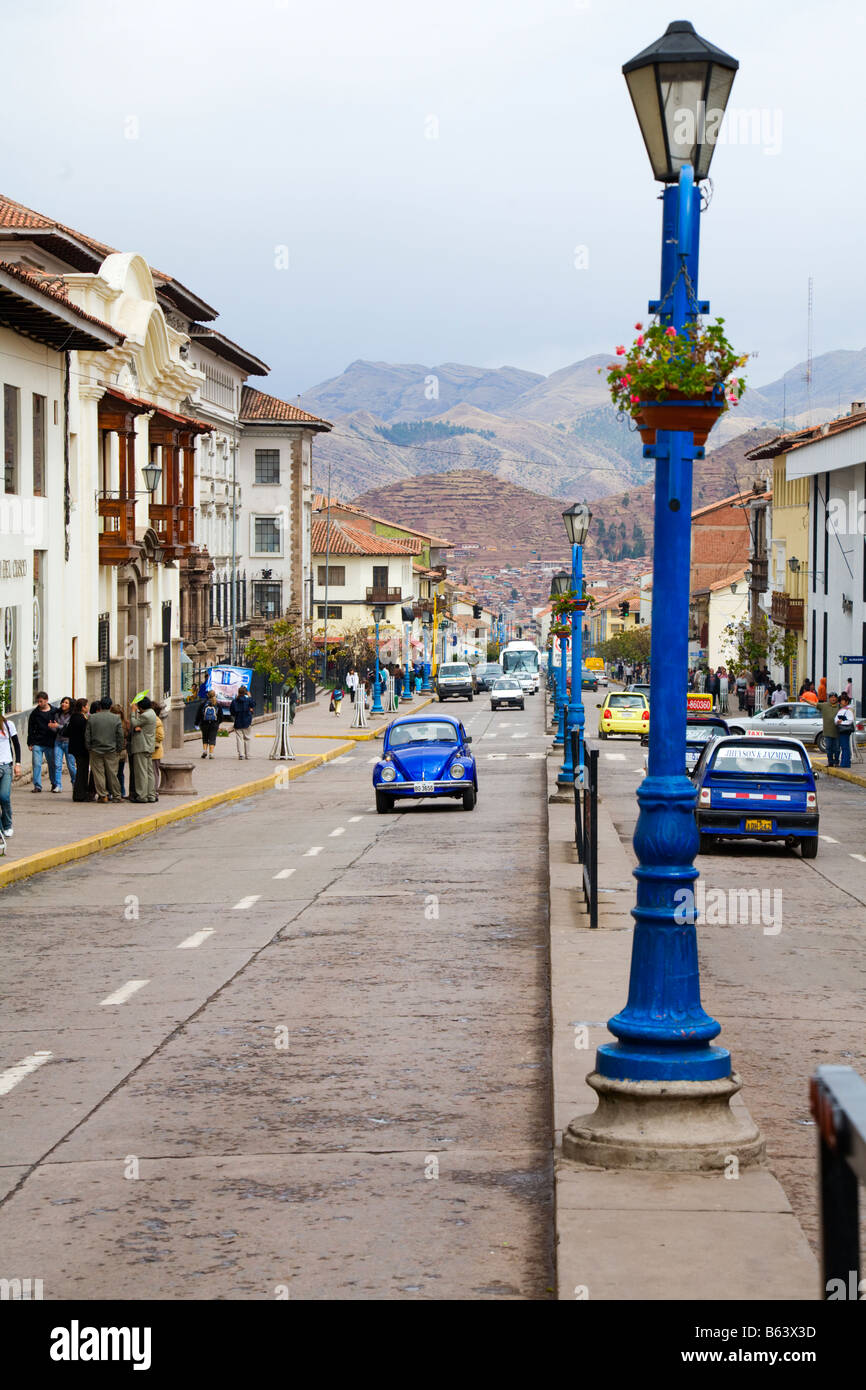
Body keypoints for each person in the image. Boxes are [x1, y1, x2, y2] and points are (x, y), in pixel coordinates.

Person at [85, 696, 124, 803]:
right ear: (110, 706)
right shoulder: (115, 718)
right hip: (111, 750)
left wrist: (89, 747)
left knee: (99, 774)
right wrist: (119, 748)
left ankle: (103, 795)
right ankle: (117, 795)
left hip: (96, 750)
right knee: (112, 774)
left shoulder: (92, 718)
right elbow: (120, 735)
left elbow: (87, 735)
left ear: (100, 706)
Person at [27, 691, 60, 792]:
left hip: (50, 742)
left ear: (46, 700)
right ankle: (37, 785)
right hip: (38, 742)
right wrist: (30, 742)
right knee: (37, 764)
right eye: (38, 702)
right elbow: (31, 728)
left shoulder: (54, 711)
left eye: (41, 701)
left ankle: (54, 783)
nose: (39, 703)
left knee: (52, 764)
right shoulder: (35, 713)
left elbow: (59, 724)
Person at [130, 696, 157, 801]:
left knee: (141, 772)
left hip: (142, 746)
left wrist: (133, 712)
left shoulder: (145, 715)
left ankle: (142, 795)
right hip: (149, 746)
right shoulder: (152, 713)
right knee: (149, 772)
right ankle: (151, 794)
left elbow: (134, 723)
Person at [0, 708, 22, 839]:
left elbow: (17, 745)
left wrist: (18, 763)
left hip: (6, 766)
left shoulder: (8, 725)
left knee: (4, 797)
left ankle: (7, 824)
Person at [68, 699, 92, 802]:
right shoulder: (80, 719)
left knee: (82, 770)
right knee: (82, 771)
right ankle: (80, 794)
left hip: (77, 748)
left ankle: (80, 793)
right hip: (81, 748)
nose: (88, 707)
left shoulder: (75, 717)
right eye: (87, 706)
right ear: (83, 707)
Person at [54, 696, 77, 787]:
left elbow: (68, 728)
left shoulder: (73, 716)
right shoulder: (57, 714)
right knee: (57, 764)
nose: (63, 704)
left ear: (70, 705)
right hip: (58, 741)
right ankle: (58, 785)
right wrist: (53, 726)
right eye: (63, 702)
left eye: (66, 703)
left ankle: (75, 782)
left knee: (71, 766)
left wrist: (58, 726)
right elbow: (55, 729)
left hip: (69, 742)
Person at [229, 685, 255, 759]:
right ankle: (248, 754)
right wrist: (250, 696)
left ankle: (241, 754)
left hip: (238, 721)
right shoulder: (248, 700)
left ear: (238, 692)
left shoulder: (234, 701)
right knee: (247, 738)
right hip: (247, 721)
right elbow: (253, 704)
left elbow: (232, 712)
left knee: (239, 738)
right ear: (245, 693)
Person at [111, 704, 131, 798]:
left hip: (121, 750)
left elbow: (128, 735)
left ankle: (121, 791)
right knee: (116, 773)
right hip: (116, 750)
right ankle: (117, 791)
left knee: (118, 772)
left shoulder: (125, 723)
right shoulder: (122, 722)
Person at [195, 690, 221, 759]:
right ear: (214, 695)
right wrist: (218, 722)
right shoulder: (217, 704)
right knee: (212, 738)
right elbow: (221, 716)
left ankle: (204, 751)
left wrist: (196, 723)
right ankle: (211, 754)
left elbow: (199, 715)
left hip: (204, 723)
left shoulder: (203, 704)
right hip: (214, 724)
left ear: (207, 695)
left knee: (205, 737)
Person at [835, 694, 856, 768]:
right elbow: (836, 719)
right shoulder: (842, 710)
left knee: (845, 747)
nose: (841, 702)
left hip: (845, 730)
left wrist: (841, 722)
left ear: (847, 702)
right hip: (841, 730)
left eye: (842, 701)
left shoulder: (848, 710)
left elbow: (850, 720)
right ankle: (844, 762)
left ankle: (845, 763)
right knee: (844, 747)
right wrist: (838, 721)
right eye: (840, 701)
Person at [820, 692, 840, 766]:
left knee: (837, 749)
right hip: (827, 732)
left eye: (835, 697)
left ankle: (837, 762)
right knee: (828, 748)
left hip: (837, 732)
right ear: (829, 698)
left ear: (837, 698)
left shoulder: (839, 706)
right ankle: (830, 762)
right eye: (831, 697)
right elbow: (814, 704)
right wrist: (805, 700)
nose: (833, 698)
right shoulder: (824, 705)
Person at [151, 701, 165, 796]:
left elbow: (161, 736)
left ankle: (154, 790)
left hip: (155, 751)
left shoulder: (156, 721)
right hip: (153, 751)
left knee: (154, 772)